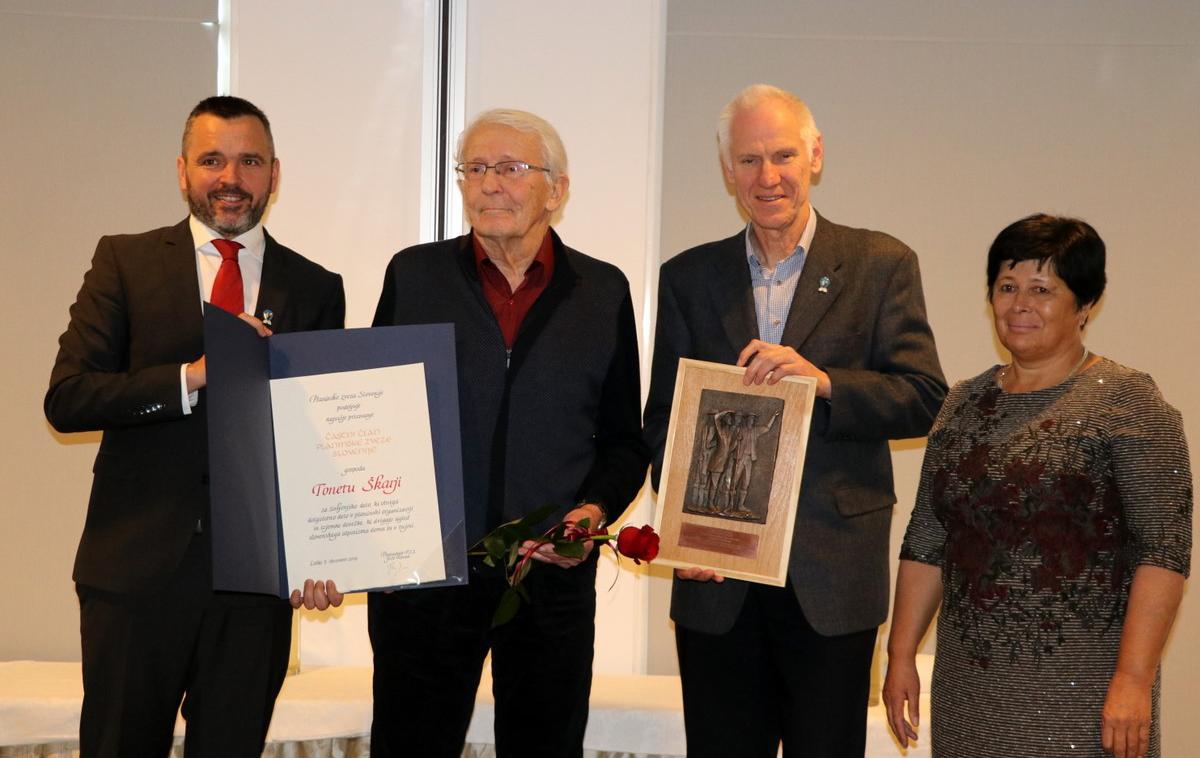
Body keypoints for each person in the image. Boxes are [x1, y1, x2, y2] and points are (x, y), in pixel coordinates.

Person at [643, 83, 947, 757]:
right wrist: (685, 530)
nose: (767, 176)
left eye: (782, 154)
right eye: (748, 160)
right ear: (726, 170)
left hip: (831, 574)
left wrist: (828, 384)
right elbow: (666, 421)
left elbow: (925, 395)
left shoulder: (879, 264)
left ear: (815, 155)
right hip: (718, 586)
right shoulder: (688, 277)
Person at [45, 96, 347, 758]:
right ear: (182, 171)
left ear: (275, 173)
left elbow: (322, 439)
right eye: (212, 160)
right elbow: (68, 398)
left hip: (255, 587)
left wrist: (322, 552)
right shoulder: (125, 262)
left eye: (249, 161)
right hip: (135, 575)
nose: (230, 178)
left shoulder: (317, 287)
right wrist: (193, 375)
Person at [369, 108, 648, 758]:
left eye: (512, 168)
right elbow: (372, 419)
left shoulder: (601, 292)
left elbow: (624, 441)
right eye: (476, 168)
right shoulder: (413, 277)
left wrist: (594, 509)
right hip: (424, 578)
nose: (490, 183)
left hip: (549, 577)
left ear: (558, 188)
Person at [883, 214, 1191, 758]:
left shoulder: (1129, 401)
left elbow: (1162, 551)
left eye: (1043, 289)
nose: (1020, 303)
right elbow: (928, 538)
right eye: (1007, 287)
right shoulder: (962, 403)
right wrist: (901, 654)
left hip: (1086, 695)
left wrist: (1134, 679)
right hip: (968, 694)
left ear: (1086, 304)